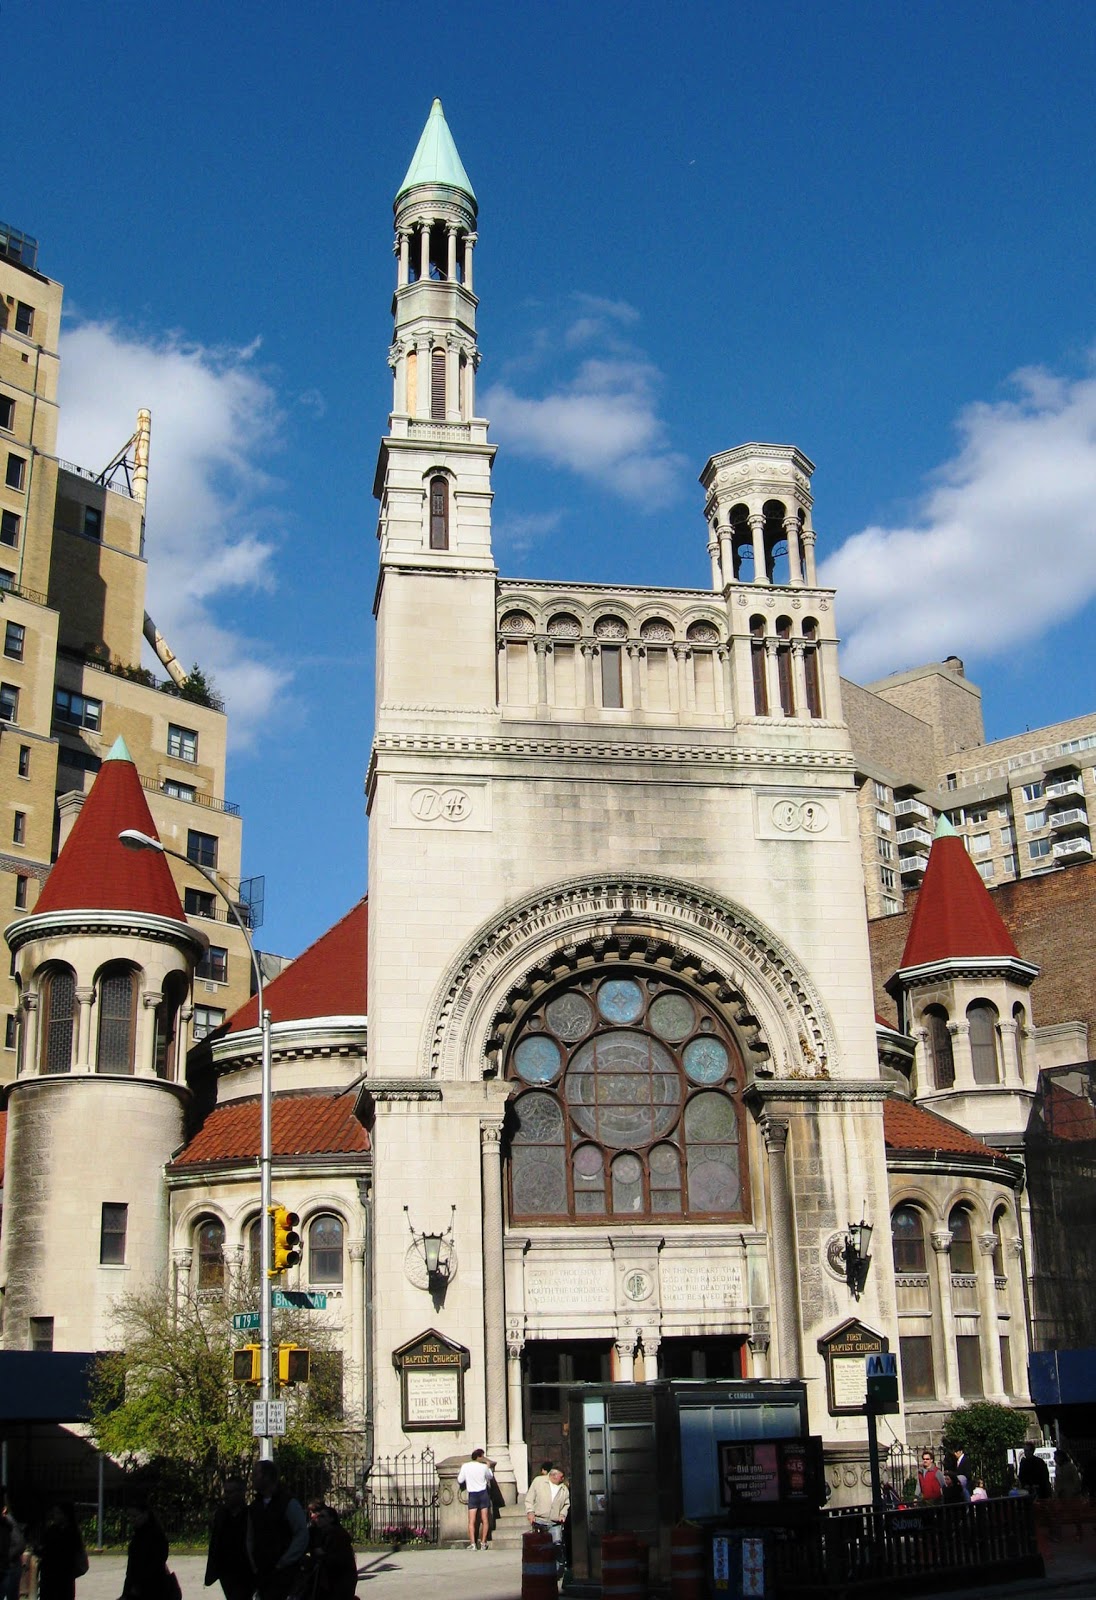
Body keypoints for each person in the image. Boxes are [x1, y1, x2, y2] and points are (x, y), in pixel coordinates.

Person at [247, 1462, 309, 1600]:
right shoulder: (255, 1506)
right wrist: (253, 1562)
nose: (252, 1478)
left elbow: (301, 1534)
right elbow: (250, 1536)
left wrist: (285, 1560)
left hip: (284, 1571)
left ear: (267, 1477)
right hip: (262, 1570)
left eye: (256, 1474)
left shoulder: (287, 1503)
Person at [205, 1477, 252, 1600]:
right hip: (226, 1570)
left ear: (241, 1493)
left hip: (245, 1571)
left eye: (230, 1492)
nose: (226, 1496)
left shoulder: (250, 1515)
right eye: (225, 1492)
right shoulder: (221, 1514)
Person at [300, 1503, 357, 1600]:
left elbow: (339, 1558)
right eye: (317, 1516)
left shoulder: (337, 1534)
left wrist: (322, 1554)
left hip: (340, 1578)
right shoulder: (317, 1532)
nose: (318, 1518)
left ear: (331, 1519)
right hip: (326, 1578)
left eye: (322, 1516)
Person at [34, 1503, 86, 1600]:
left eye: (58, 1513)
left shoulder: (70, 1532)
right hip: (52, 1576)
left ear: (65, 1515)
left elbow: (50, 1551)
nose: (55, 1516)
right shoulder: (53, 1530)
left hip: (62, 1575)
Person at [121, 1498, 170, 1600]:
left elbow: (156, 1564)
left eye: (134, 1516)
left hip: (152, 1589)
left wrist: (137, 1586)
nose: (131, 1519)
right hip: (138, 1588)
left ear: (145, 1514)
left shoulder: (156, 1535)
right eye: (129, 1516)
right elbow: (131, 1568)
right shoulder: (138, 1534)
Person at [525, 1467, 570, 1575]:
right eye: (561, 1477)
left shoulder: (563, 1488)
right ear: (553, 1476)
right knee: (540, 1547)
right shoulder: (539, 1481)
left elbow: (566, 1504)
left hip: (555, 1522)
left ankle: (557, 1570)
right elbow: (530, 1498)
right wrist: (530, 1512)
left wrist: (563, 1514)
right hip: (539, 1520)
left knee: (557, 1545)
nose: (563, 1478)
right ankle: (540, 1569)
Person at [456, 1449, 494, 1551]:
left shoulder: (466, 1466)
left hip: (472, 1494)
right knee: (485, 1519)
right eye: (482, 1456)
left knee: (471, 1521)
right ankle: (483, 1543)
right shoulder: (483, 1467)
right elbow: (490, 1477)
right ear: (479, 1456)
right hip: (483, 1493)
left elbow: (460, 1480)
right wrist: (488, 1467)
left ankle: (473, 1544)